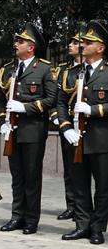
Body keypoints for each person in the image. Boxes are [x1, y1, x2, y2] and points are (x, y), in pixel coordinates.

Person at [0, 23, 57, 235]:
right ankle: (17, 216)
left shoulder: (45, 69)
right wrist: (3, 119)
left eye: (20, 42)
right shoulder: (9, 69)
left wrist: (25, 107)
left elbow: (51, 99)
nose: (16, 44)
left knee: (32, 177)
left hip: (33, 128)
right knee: (17, 177)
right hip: (13, 130)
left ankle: (31, 219)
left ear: (31, 47)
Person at [58, 21, 108, 245]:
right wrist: (66, 127)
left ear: (100, 48)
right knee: (78, 184)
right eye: (83, 42)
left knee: (103, 187)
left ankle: (97, 228)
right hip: (76, 138)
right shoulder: (73, 73)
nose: (83, 45)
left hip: (101, 139)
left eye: (88, 42)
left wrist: (95, 110)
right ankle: (82, 225)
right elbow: (60, 103)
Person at [52, 31, 83, 221]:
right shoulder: (63, 70)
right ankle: (72, 205)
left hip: (90, 122)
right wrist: (58, 118)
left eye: (75, 42)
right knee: (70, 168)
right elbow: (57, 99)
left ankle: (88, 208)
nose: (70, 45)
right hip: (69, 123)